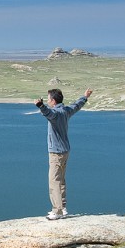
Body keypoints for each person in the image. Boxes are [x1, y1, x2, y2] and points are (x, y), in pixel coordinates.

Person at [34, 88, 93, 220]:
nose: (48, 101)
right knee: (61, 180)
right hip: (65, 151)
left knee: (54, 181)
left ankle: (57, 210)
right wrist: (85, 97)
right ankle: (63, 207)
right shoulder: (66, 111)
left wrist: (40, 106)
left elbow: (48, 113)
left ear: (53, 101)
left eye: (48, 99)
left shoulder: (55, 114)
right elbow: (76, 105)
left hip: (56, 153)